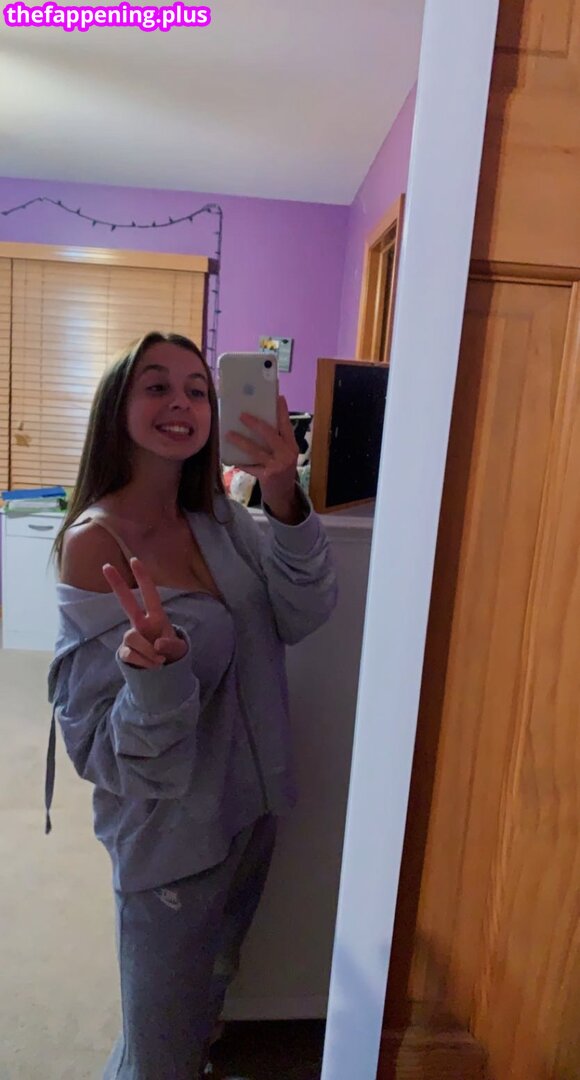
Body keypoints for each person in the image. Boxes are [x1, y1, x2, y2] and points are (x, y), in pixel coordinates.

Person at [45, 330, 337, 1079]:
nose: (181, 403)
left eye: (197, 390)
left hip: (250, 808)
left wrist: (283, 495)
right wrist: (155, 676)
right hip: (170, 837)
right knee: (161, 1049)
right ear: (118, 407)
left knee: (206, 1004)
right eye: (156, 385)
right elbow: (99, 750)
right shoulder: (95, 544)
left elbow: (301, 615)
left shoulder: (219, 518)